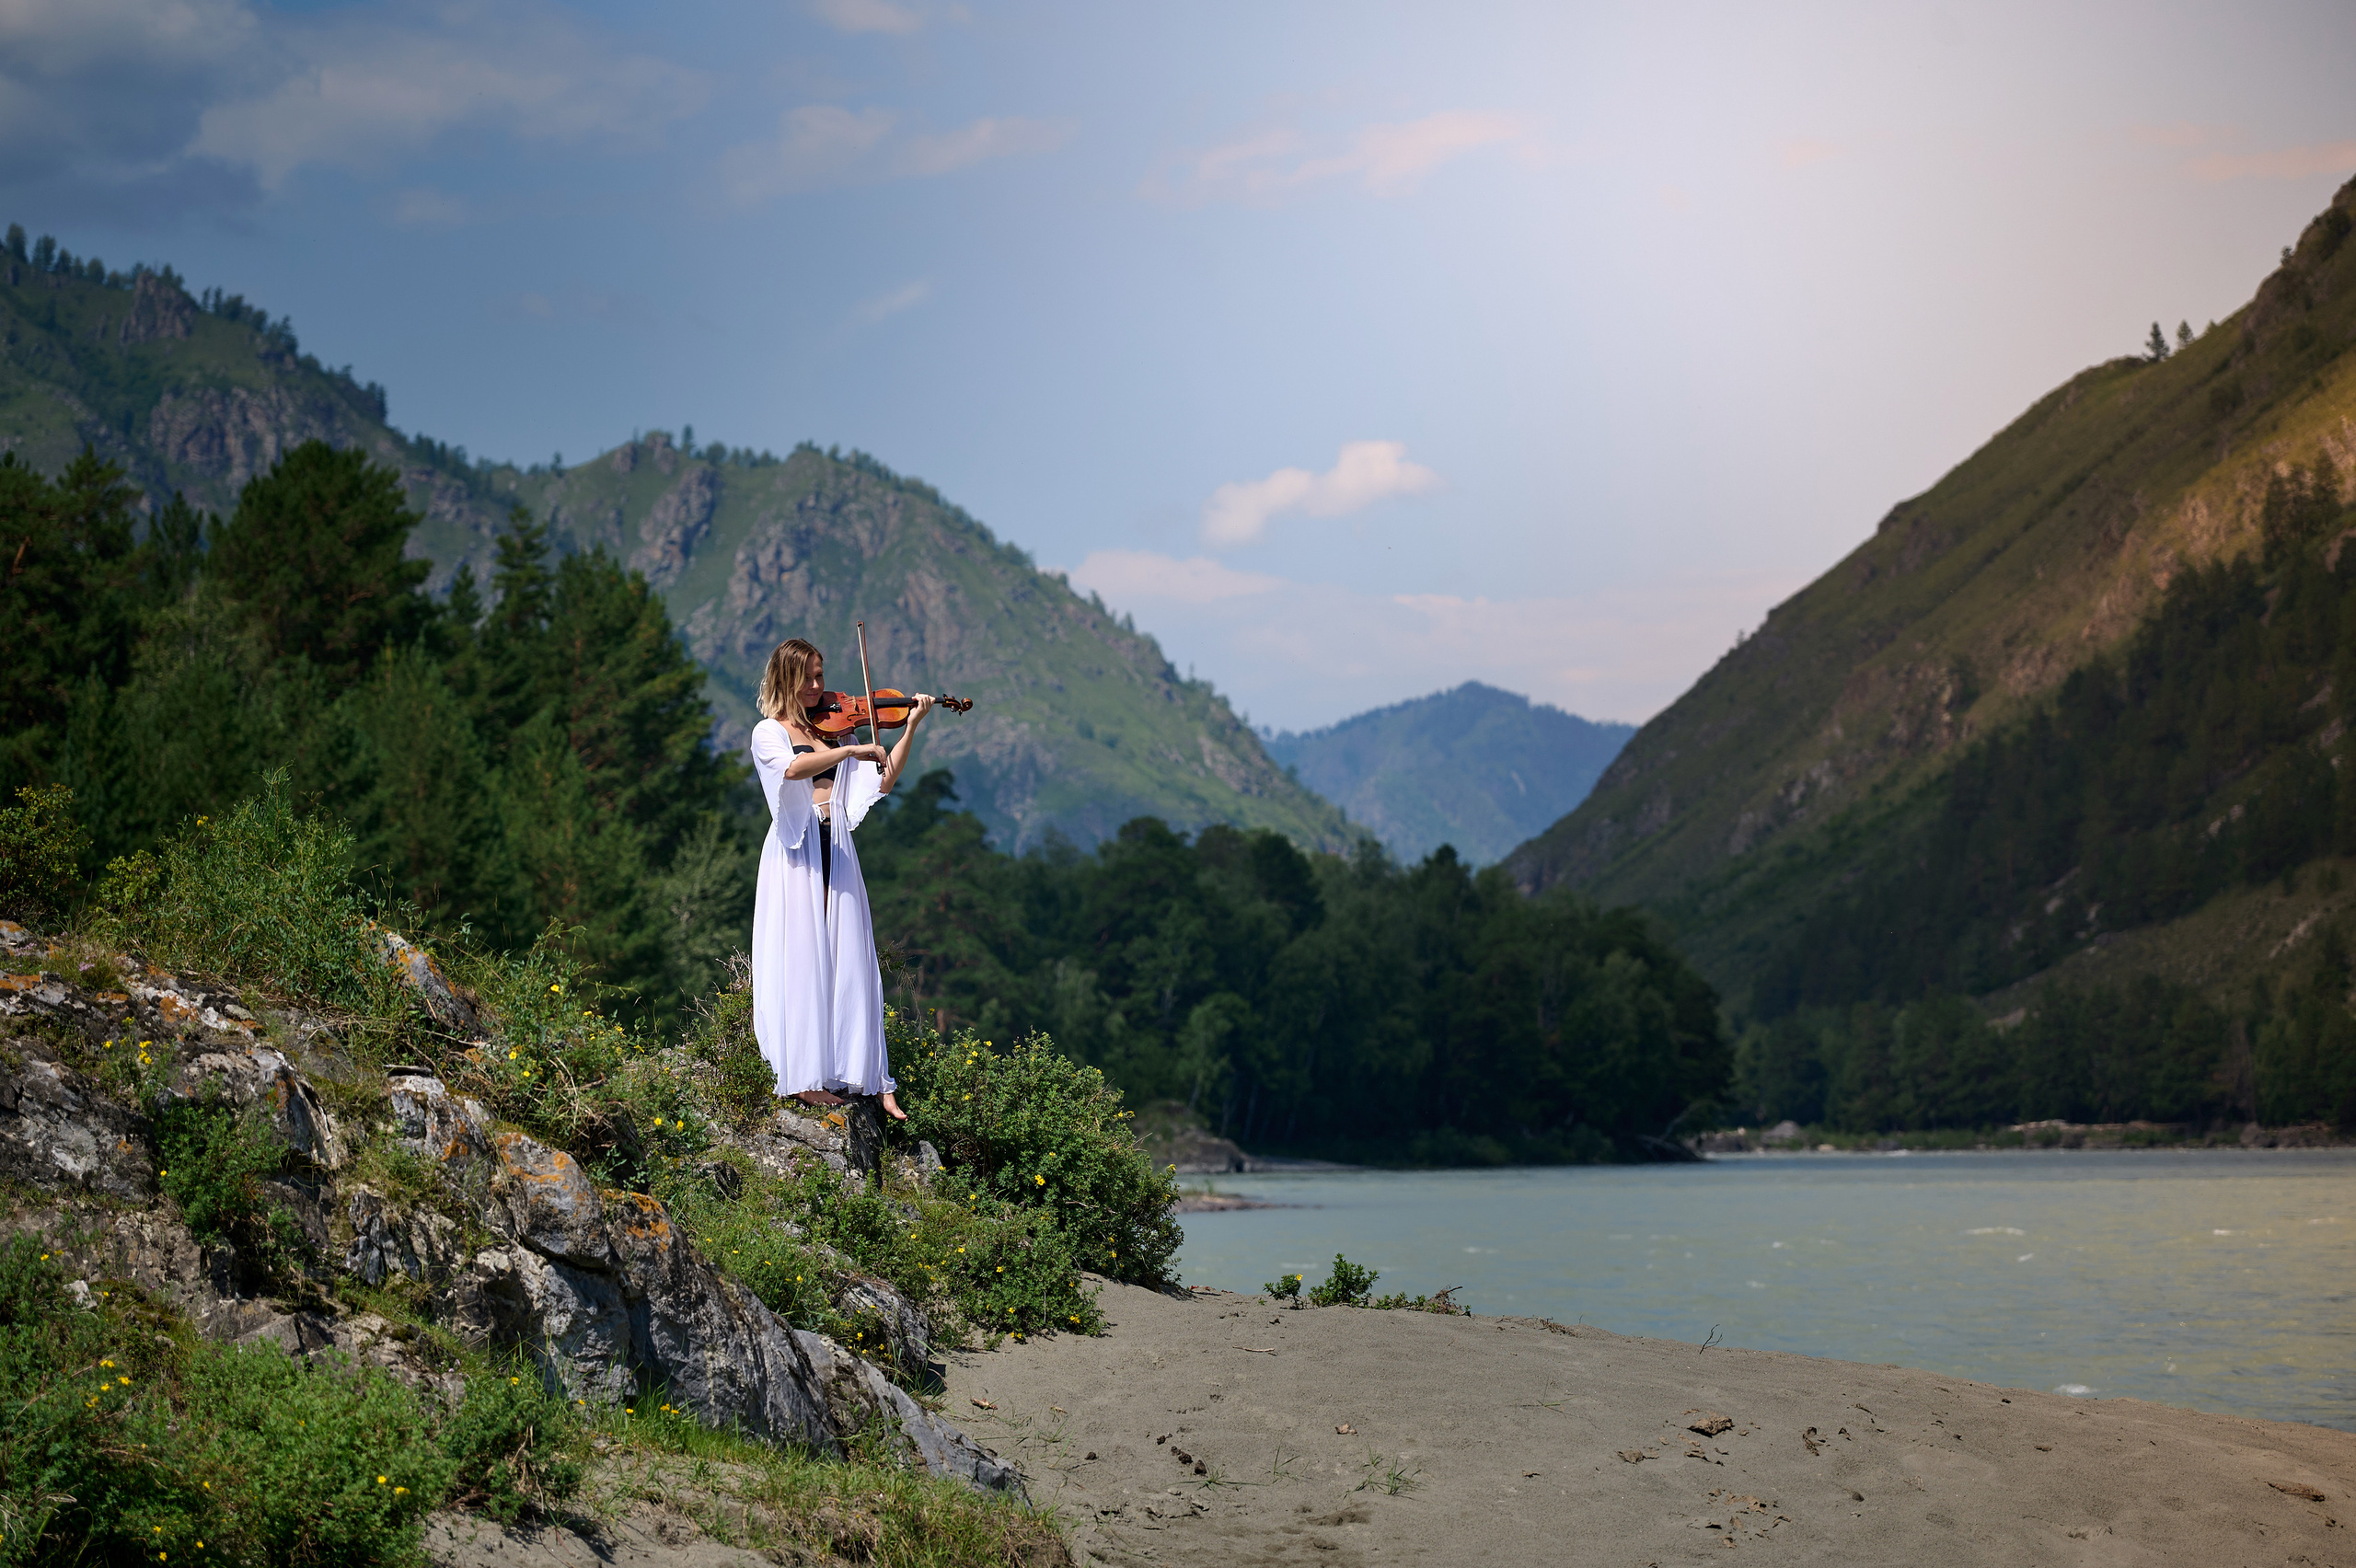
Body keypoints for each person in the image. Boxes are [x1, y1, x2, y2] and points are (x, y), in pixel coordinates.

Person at [746, 637, 934, 1120]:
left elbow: (885, 777)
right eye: (807, 676)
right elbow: (792, 770)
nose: (817, 686)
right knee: (803, 958)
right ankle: (804, 1078)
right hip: (797, 854)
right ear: (785, 678)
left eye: (821, 675)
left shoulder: (841, 733)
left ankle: (872, 1078)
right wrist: (848, 754)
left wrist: (908, 728)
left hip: (837, 847)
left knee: (852, 956)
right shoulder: (768, 732)